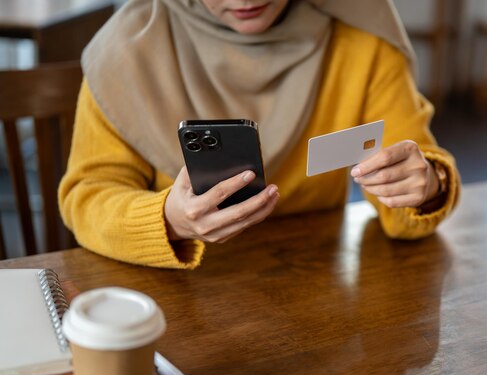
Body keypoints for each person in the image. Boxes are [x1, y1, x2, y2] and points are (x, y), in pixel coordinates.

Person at [59, 0, 461, 269]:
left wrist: (427, 185)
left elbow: (408, 197)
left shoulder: (362, 37)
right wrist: (170, 220)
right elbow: (88, 196)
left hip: (318, 296)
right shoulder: (124, 52)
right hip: (168, 308)